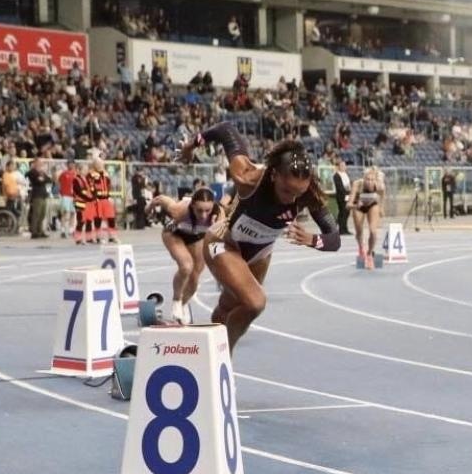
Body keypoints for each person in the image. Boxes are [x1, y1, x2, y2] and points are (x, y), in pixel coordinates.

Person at [183, 123, 341, 352]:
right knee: (255, 302)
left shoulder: (307, 194)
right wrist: (192, 144)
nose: (292, 199)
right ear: (274, 175)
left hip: (260, 254)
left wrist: (312, 240)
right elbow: (226, 130)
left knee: (229, 306)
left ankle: (204, 353)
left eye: (299, 193)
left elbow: (334, 239)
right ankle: (220, 357)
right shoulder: (246, 177)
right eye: (287, 191)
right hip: (223, 242)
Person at [150, 188, 222, 324]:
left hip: (196, 237)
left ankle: (183, 304)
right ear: (192, 205)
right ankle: (176, 300)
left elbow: (219, 243)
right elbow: (161, 199)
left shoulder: (218, 216)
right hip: (174, 234)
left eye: (207, 210)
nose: (204, 215)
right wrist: (149, 208)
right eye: (199, 210)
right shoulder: (179, 209)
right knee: (186, 266)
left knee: (195, 279)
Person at [352, 165, 386, 268]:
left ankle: (369, 253)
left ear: (376, 180)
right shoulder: (357, 184)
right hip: (359, 205)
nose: (370, 182)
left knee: (373, 231)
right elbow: (348, 205)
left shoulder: (380, 186)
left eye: (372, 180)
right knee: (359, 231)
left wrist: (381, 208)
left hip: (372, 205)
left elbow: (383, 197)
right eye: (367, 179)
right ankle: (361, 247)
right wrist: (355, 205)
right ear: (364, 178)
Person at [26, 159, 52, 239]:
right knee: (36, 214)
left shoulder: (42, 173)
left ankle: (40, 230)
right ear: (35, 163)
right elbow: (38, 181)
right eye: (40, 163)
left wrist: (43, 178)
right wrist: (42, 179)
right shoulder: (32, 172)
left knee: (42, 214)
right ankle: (34, 231)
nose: (41, 165)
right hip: (37, 195)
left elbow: (48, 180)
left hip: (43, 194)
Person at [331, 159, 353, 237]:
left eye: (344, 165)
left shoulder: (345, 174)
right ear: (339, 167)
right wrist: (346, 192)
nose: (344, 167)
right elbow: (339, 187)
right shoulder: (336, 175)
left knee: (347, 213)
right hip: (342, 197)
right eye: (342, 165)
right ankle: (341, 229)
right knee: (342, 212)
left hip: (347, 196)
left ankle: (345, 228)